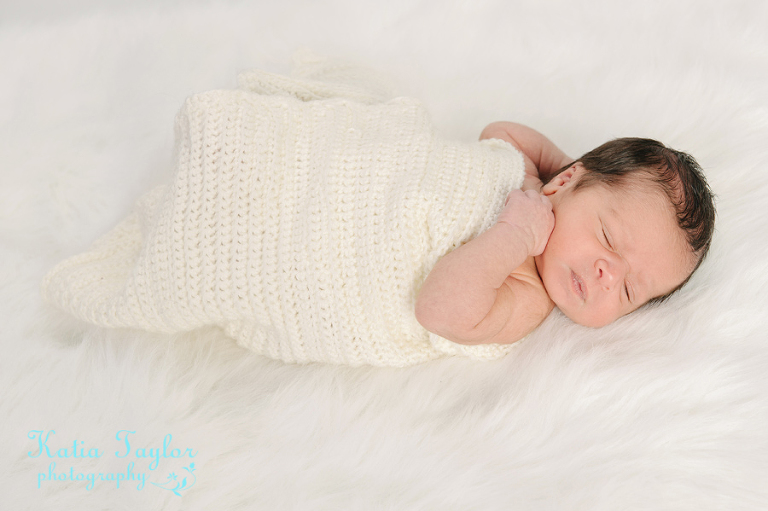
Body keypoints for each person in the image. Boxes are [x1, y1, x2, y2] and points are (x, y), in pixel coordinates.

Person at [416, 122, 716, 346]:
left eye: (629, 291)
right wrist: (561, 181)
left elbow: (439, 311)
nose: (609, 277)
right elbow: (499, 134)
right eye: (608, 238)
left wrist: (516, 235)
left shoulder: (528, 295)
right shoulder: (530, 180)